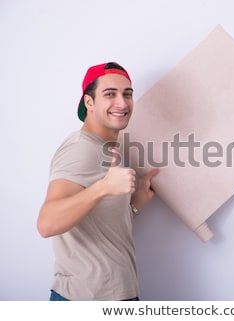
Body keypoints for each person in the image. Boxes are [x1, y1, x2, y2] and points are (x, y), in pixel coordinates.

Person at [37, 62, 159, 301]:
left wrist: (135, 205)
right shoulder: (81, 148)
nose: (122, 103)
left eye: (127, 94)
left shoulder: (105, 150)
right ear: (89, 102)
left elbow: (99, 224)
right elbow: (47, 223)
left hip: (112, 296)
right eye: (110, 94)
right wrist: (103, 188)